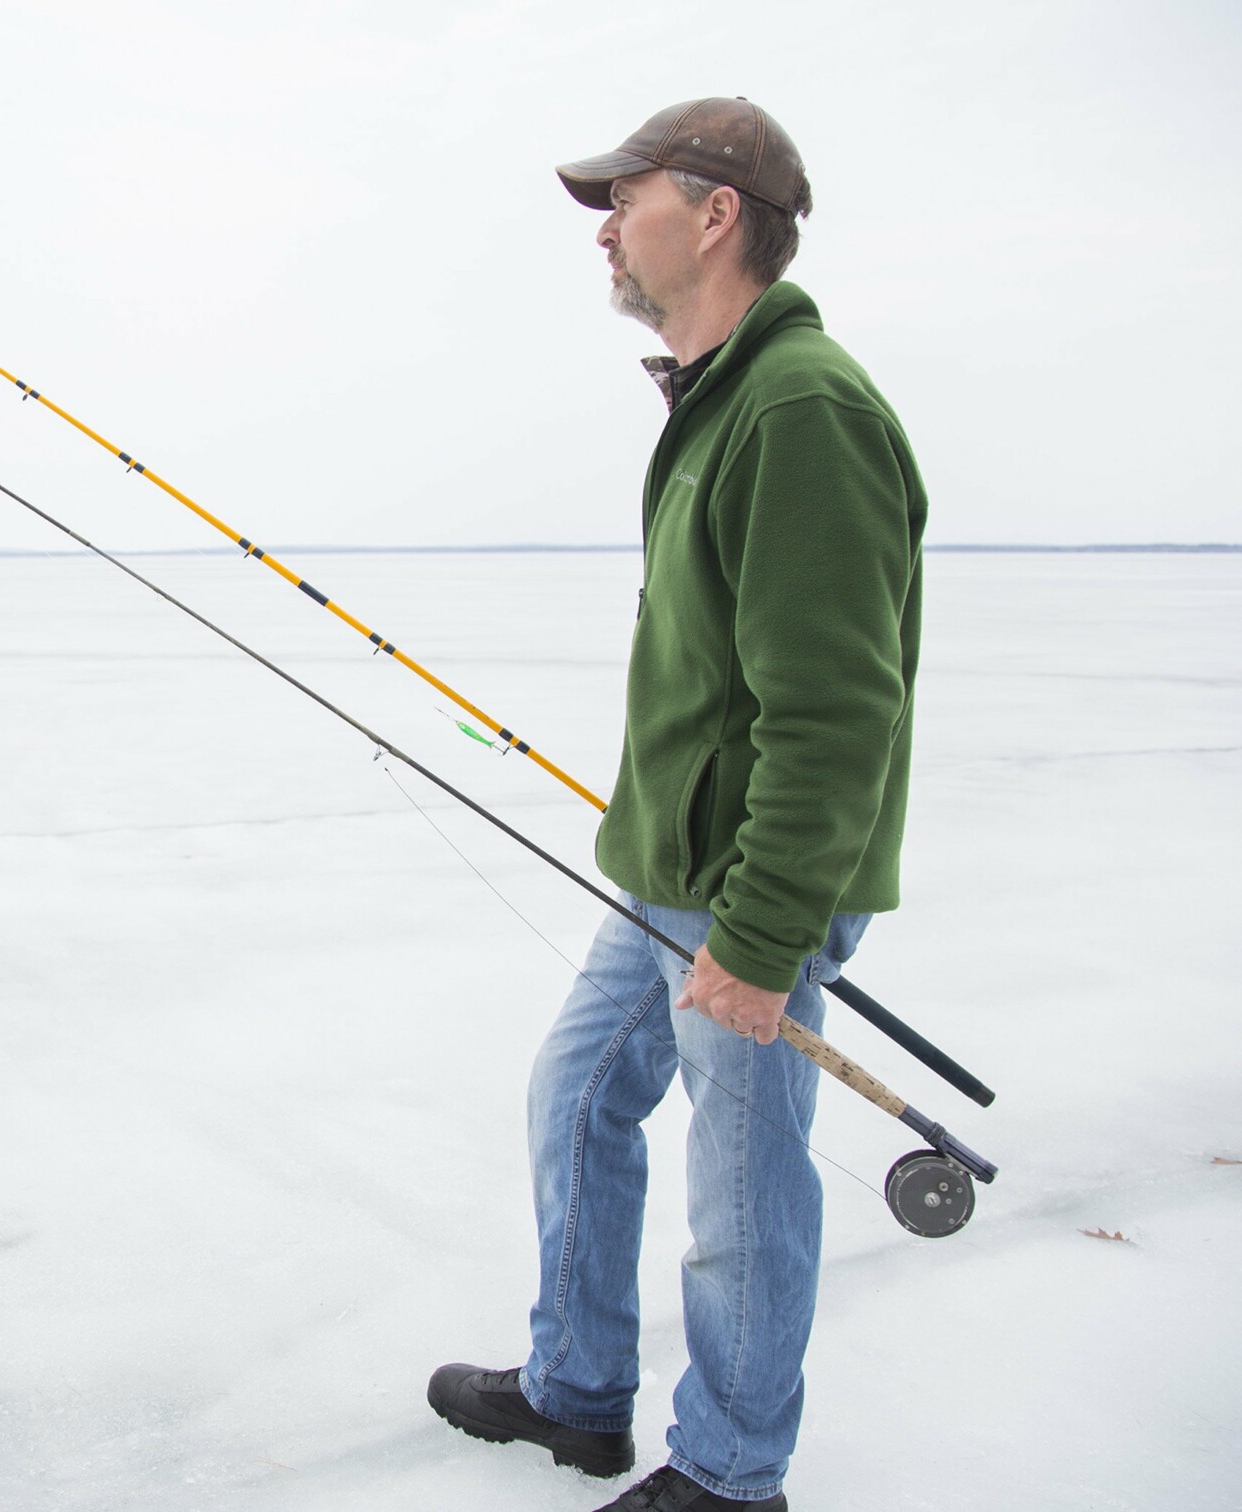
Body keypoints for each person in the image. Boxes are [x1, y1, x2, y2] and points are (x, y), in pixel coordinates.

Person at [426, 98, 927, 1512]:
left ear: (715, 215)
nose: (602, 224)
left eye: (624, 195)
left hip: (747, 889)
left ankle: (729, 1474)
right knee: (577, 1098)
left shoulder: (802, 409)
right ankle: (580, 1391)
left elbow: (836, 713)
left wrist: (765, 943)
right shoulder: (723, 402)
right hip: (664, 870)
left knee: (742, 1186)